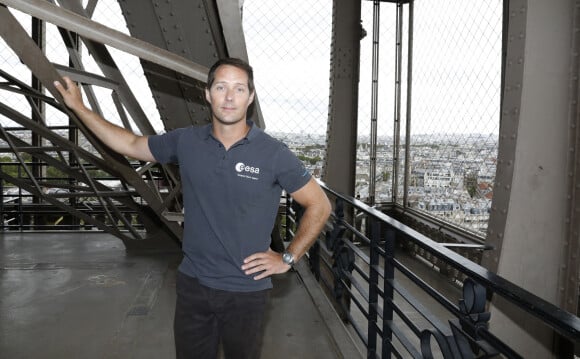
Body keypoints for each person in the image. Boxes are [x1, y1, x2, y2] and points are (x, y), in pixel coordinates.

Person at [54, 57, 332, 359]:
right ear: (207, 93)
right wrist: (79, 108)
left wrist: (288, 257)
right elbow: (132, 144)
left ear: (250, 98)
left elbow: (319, 204)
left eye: (239, 89)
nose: (229, 97)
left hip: (246, 291)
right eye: (221, 87)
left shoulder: (274, 153)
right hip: (193, 284)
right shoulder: (187, 141)